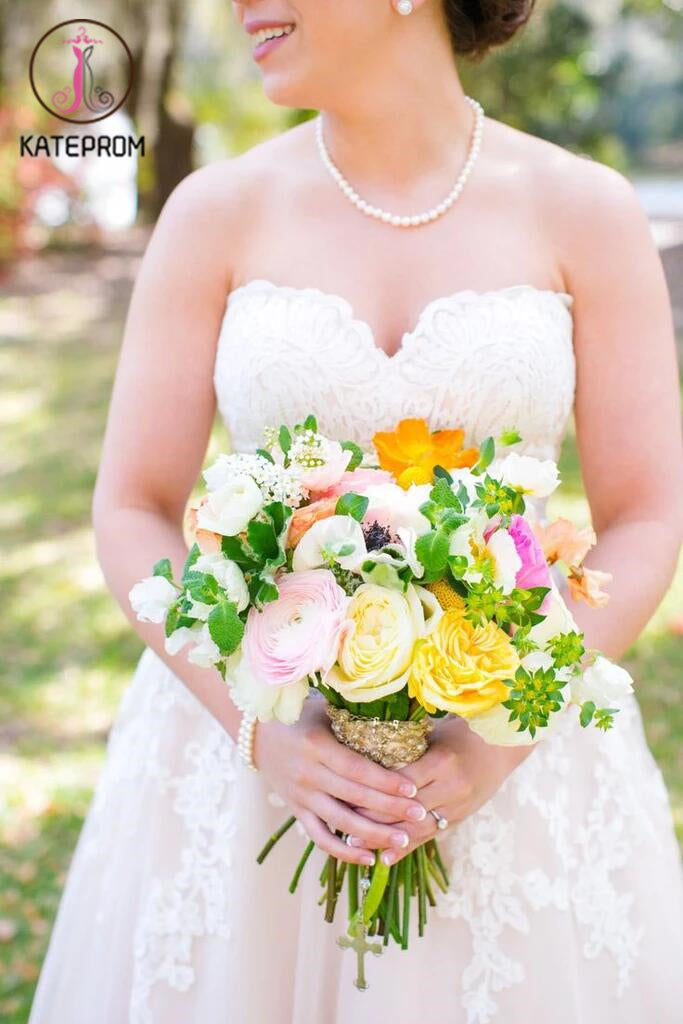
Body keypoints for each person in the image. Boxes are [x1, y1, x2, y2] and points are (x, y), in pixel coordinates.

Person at [28, 2, 683, 1022]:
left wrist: (499, 739)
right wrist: (261, 734)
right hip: (242, 768)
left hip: (518, 773)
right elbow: (133, 507)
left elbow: (645, 516)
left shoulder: (582, 211)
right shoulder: (216, 212)